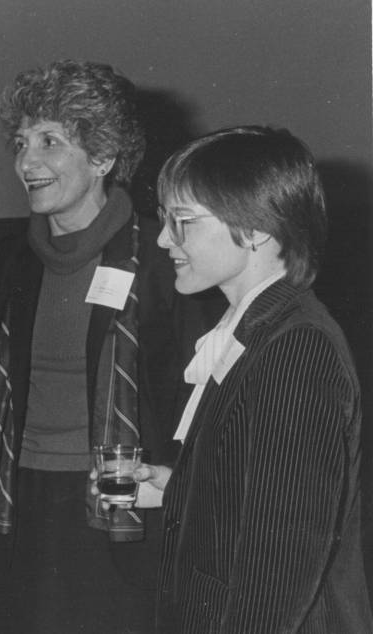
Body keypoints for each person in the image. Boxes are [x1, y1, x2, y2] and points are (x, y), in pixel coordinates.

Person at [0, 60, 212, 633]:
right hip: (24, 504)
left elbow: (200, 405)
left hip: (123, 512)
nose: (27, 162)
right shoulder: (5, 265)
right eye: (21, 142)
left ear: (103, 157)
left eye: (50, 142)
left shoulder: (164, 262)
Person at [134, 126, 373, 632]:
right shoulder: (256, 329)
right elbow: (260, 492)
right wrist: (180, 486)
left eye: (183, 221)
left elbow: (279, 563)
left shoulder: (295, 348)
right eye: (164, 219)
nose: (162, 239)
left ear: (258, 229)